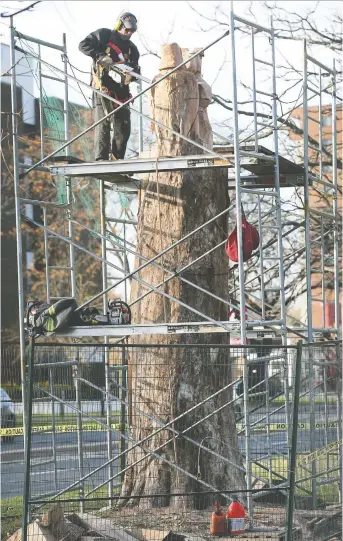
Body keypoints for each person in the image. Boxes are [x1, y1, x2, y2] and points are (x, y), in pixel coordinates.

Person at [79, 11, 140, 161]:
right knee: (103, 124)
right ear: (119, 26)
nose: (129, 33)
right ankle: (101, 159)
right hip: (103, 88)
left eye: (132, 31)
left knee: (123, 127)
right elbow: (83, 45)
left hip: (121, 92)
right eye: (127, 29)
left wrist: (131, 70)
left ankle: (116, 159)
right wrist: (100, 56)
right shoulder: (104, 36)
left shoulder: (132, 49)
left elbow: (135, 71)